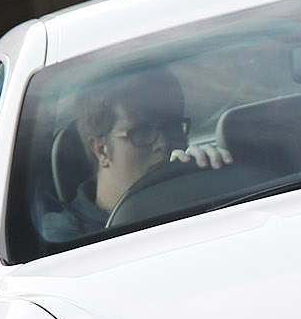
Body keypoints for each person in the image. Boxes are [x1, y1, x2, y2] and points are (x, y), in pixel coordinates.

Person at [42, 67, 226, 241]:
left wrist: (212, 180)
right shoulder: (65, 236)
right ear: (100, 150)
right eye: (142, 132)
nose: (163, 144)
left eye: (172, 127)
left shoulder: (200, 196)